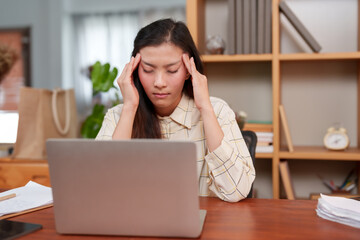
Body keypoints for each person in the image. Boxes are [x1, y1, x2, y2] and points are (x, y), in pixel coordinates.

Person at [96, 18, 255, 202]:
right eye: (148, 70)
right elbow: (102, 190)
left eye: (172, 70)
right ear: (134, 70)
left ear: (189, 70)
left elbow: (237, 190)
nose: (159, 83)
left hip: (206, 226)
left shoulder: (217, 111)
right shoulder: (118, 117)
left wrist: (205, 108)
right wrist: (130, 108)